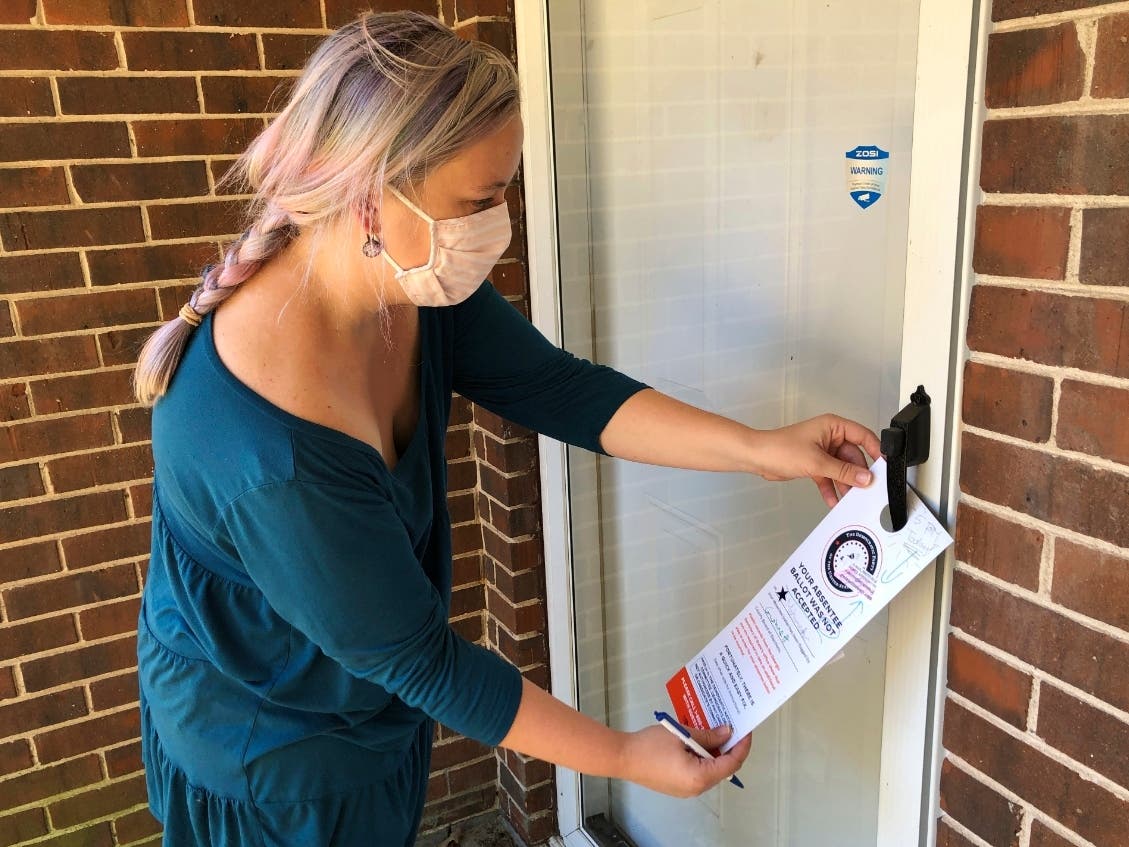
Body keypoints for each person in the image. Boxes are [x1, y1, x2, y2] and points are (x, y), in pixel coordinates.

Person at [132, 11, 880, 846]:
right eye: (477, 200)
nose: (496, 223)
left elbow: (559, 388)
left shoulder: (410, 286)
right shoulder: (269, 448)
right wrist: (624, 757)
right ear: (371, 197)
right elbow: (426, 662)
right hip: (271, 766)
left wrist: (759, 449)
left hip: (371, 717)